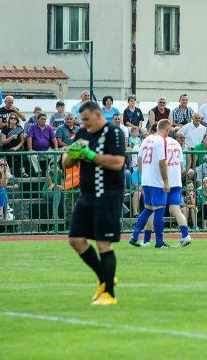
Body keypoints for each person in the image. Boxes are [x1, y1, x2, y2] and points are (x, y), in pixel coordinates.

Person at [64, 101, 127, 306]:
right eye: (82, 120)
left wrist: (90, 155)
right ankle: (104, 277)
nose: (84, 124)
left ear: (98, 114)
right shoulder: (82, 133)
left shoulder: (114, 132)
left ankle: (109, 294)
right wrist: (73, 153)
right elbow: (65, 163)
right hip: (87, 194)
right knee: (75, 239)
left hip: (108, 194)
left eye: (86, 120)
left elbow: (118, 163)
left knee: (103, 243)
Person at [130, 119, 191, 248]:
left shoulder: (146, 140)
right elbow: (166, 162)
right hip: (164, 181)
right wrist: (165, 181)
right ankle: (164, 240)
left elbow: (140, 160)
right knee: (163, 210)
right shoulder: (169, 143)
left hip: (147, 179)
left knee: (149, 209)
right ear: (169, 130)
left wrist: (142, 177)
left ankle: (140, 238)